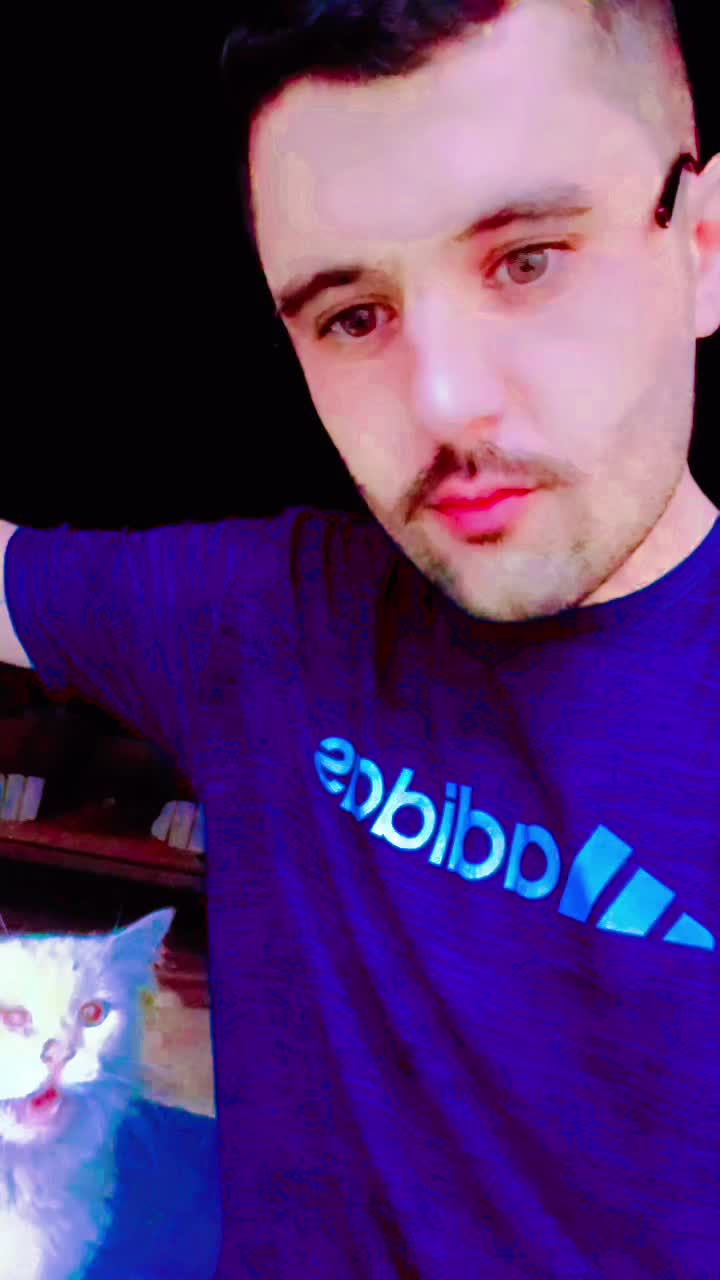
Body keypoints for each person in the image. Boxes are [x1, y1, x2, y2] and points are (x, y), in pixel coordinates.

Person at [1, 1, 719, 1275]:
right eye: (351, 315)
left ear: (704, 245)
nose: (445, 402)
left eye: (528, 259)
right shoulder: (268, 617)